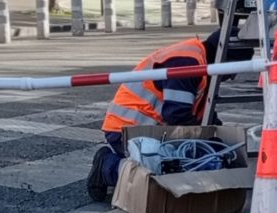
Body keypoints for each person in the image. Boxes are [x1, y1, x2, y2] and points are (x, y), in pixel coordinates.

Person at [86, 29, 255, 202]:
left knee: (192, 160)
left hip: (149, 130)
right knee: (164, 173)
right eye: (233, 69)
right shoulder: (188, 63)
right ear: (225, 61)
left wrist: (223, 145)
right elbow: (177, 116)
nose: (232, 77)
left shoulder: (202, 64)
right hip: (126, 129)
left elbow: (202, 115)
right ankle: (107, 166)